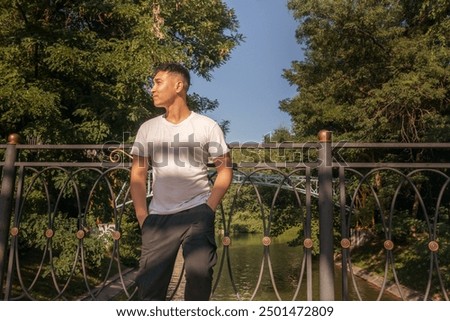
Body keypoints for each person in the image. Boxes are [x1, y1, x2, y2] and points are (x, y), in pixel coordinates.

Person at [129, 62, 233, 301]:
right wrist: (143, 218)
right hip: (158, 218)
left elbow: (225, 170)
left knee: (199, 278)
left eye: (157, 82)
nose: (152, 89)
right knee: (149, 290)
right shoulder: (148, 129)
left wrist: (209, 209)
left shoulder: (207, 126)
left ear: (178, 85)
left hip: (197, 213)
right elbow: (137, 174)